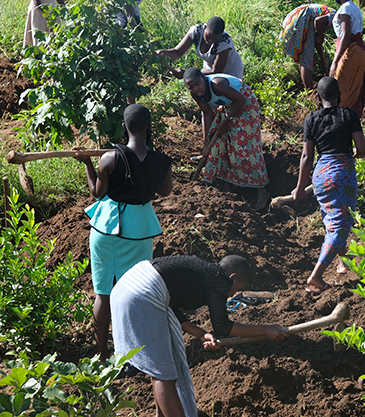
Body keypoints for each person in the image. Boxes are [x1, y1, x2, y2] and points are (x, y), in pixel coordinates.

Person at [111, 254, 289, 417]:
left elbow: (173, 308)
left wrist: (202, 334)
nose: (231, 296)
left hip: (127, 286)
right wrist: (265, 329)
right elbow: (222, 327)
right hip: (141, 295)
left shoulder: (202, 273)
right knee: (164, 375)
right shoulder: (218, 279)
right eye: (235, 291)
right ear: (232, 278)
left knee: (162, 372)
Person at [74, 104, 174, 359]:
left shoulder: (109, 158)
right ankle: (135, 351)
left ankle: (102, 354)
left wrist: (87, 164)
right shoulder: (162, 162)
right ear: (149, 127)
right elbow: (164, 192)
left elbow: (97, 193)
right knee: (136, 292)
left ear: (124, 127)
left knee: (103, 294)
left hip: (105, 229)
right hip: (139, 232)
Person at [292, 77, 365, 293]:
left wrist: (299, 188)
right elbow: (362, 150)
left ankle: (345, 262)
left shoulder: (311, 119)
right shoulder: (349, 115)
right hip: (341, 176)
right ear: (339, 96)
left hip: (321, 175)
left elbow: (307, 156)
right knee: (340, 226)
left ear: (318, 97)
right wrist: (354, 153)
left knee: (332, 220)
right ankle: (315, 276)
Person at [183, 68, 270, 210]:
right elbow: (207, 114)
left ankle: (262, 192)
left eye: (197, 84)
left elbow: (241, 100)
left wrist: (226, 121)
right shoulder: (196, 94)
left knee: (245, 147)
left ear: (204, 79)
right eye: (191, 87)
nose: (196, 89)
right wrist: (206, 143)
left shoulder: (217, 85)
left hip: (245, 104)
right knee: (219, 145)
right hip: (228, 106)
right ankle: (227, 190)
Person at [329, 0, 365, 117]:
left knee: (339, 89)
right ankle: (351, 122)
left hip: (351, 51)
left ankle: (338, 121)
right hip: (360, 50)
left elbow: (346, 36)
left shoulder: (345, 9)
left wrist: (335, 61)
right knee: (354, 91)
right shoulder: (354, 7)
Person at [157, 16, 244, 79]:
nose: (210, 41)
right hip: (208, 69)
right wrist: (162, 53)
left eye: (215, 39)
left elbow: (216, 72)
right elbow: (177, 52)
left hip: (230, 72)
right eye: (208, 36)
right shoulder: (196, 31)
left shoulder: (224, 42)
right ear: (204, 27)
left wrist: (186, 74)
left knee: (219, 91)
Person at [280, 4, 335, 90]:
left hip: (296, 18)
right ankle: (310, 91)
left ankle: (308, 89)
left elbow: (318, 43)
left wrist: (323, 60)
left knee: (304, 57)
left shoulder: (330, 14)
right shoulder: (335, 16)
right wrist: (321, 36)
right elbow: (318, 21)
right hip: (301, 20)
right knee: (306, 58)